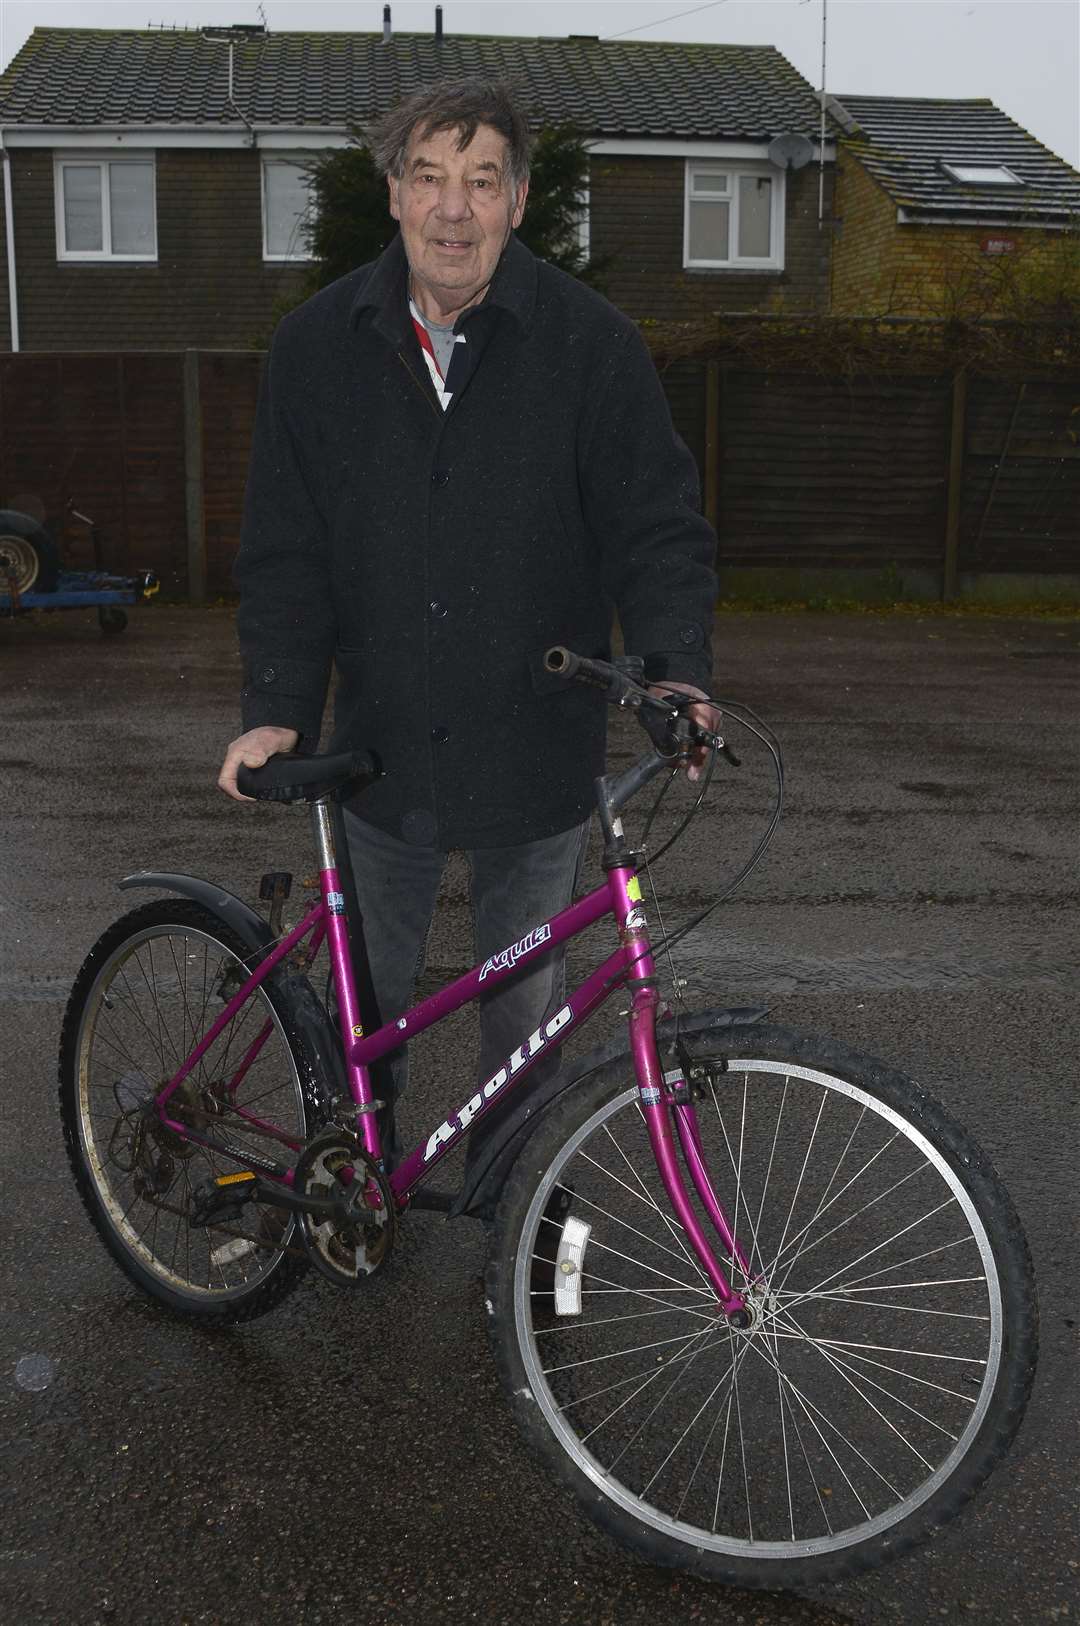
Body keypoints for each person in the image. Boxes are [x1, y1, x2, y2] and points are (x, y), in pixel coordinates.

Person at [218, 77, 719, 1200]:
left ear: (520, 200)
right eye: (430, 178)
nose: (455, 208)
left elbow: (656, 523)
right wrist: (275, 705)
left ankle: (511, 1214)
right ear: (394, 194)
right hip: (380, 749)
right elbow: (285, 551)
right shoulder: (317, 348)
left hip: (539, 748)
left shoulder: (591, 345)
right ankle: (362, 1183)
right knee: (372, 1003)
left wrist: (677, 668)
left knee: (526, 1015)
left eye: (481, 180)